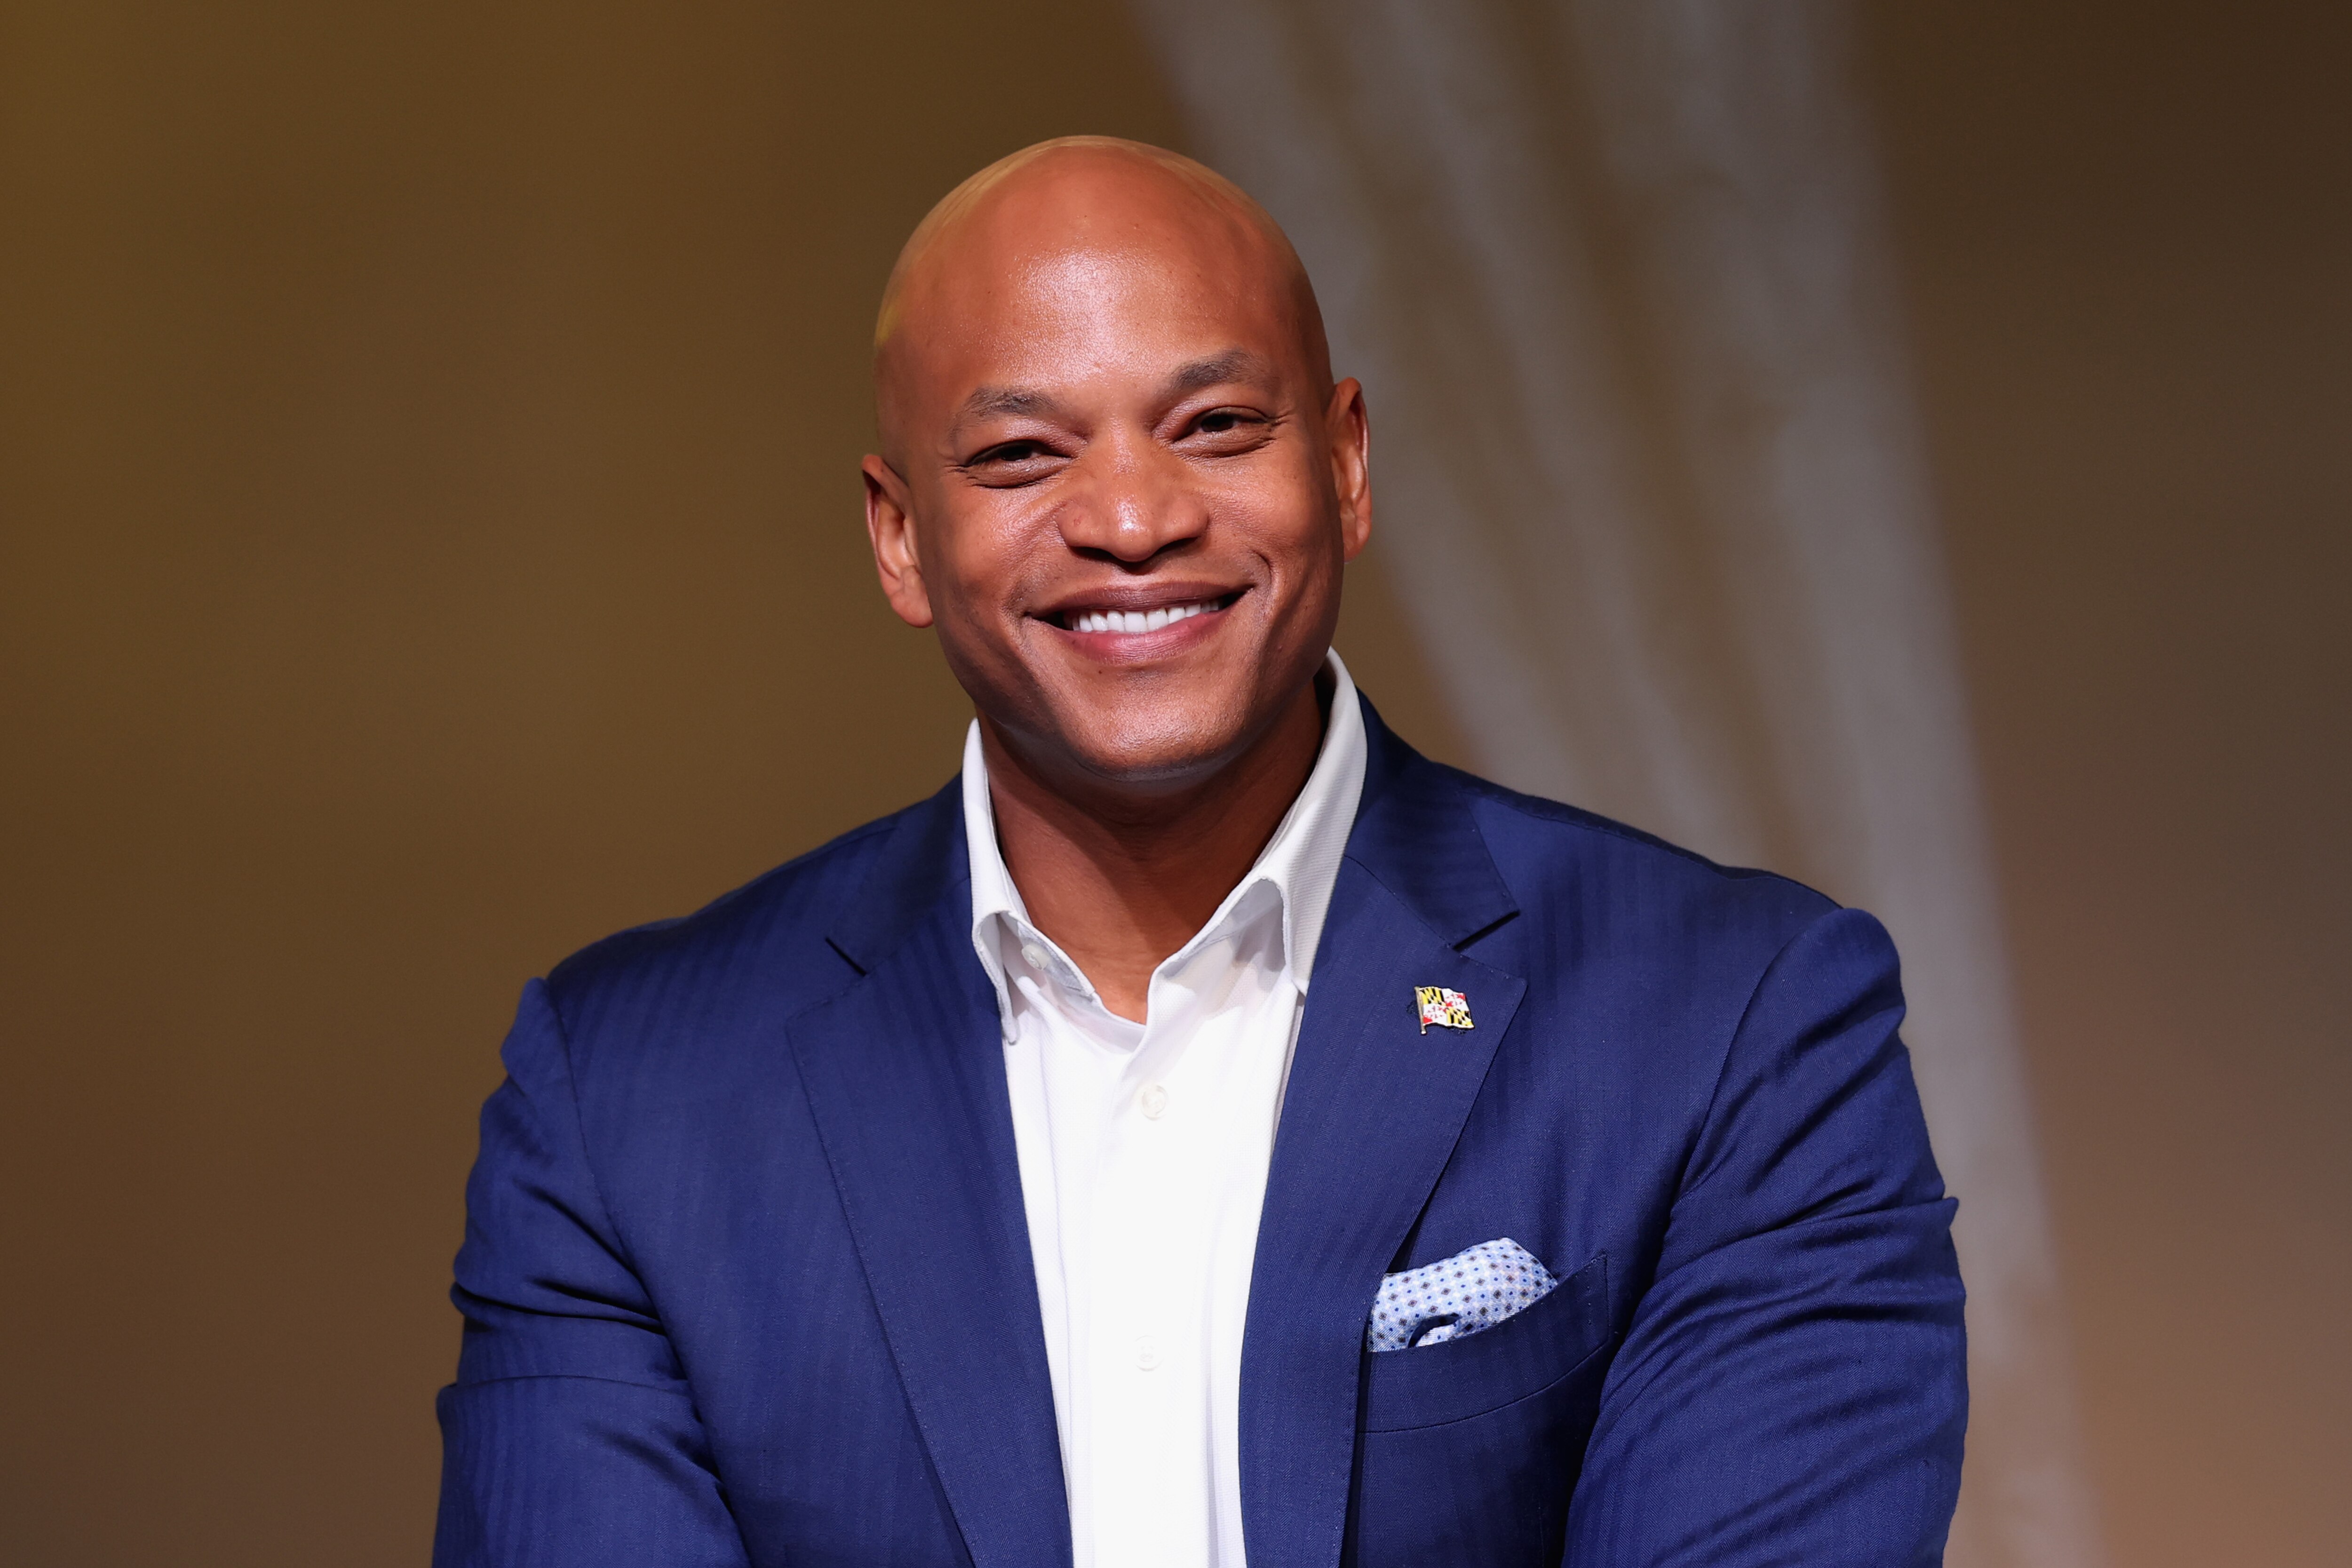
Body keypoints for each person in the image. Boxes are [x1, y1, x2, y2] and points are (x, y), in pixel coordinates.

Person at [433, 137, 1965, 1568]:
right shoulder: (630, 1097)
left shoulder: (1733, 1023)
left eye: (1216, 426)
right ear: (899, 538)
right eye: (1025, 455)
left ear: (1348, 465)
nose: (1133, 517)